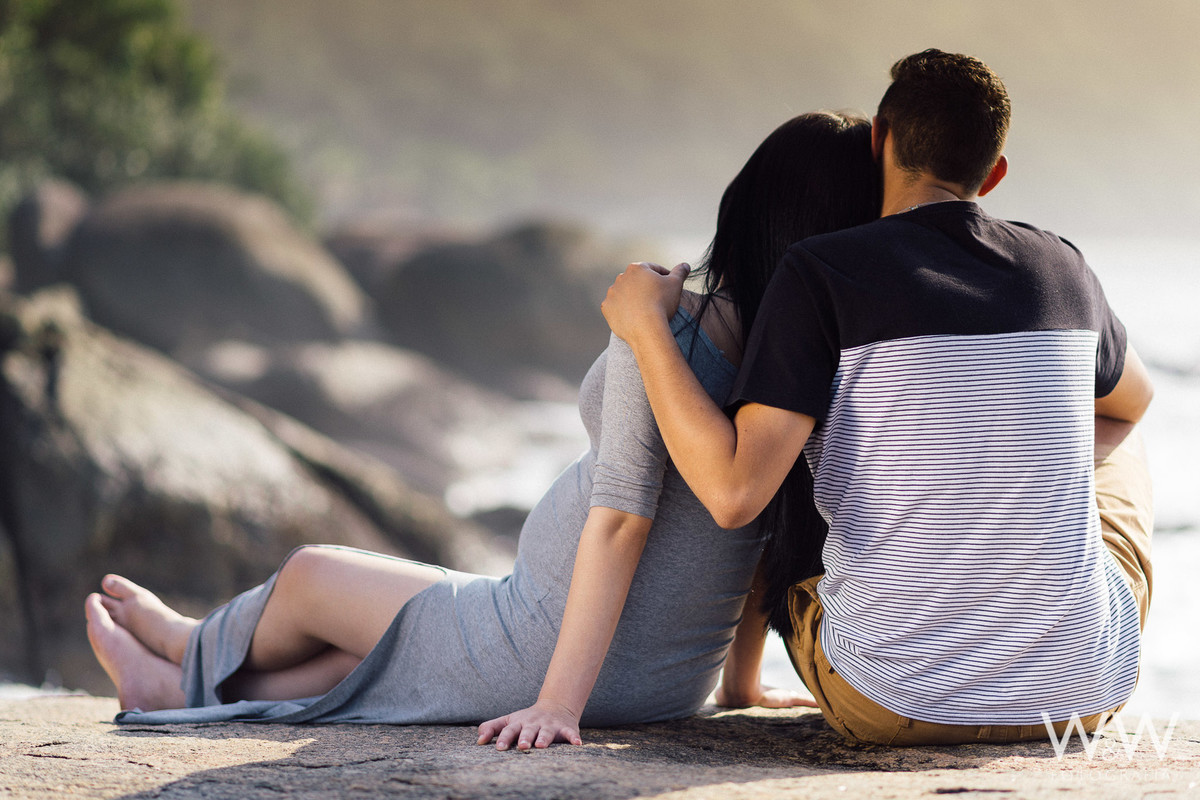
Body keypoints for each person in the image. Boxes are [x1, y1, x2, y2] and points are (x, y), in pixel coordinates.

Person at [83, 110, 882, 751]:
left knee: (311, 574)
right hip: (670, 675)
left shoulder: (664, 331)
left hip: (545, 640)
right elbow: (766, 535)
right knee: (365, 651)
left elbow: (618, 522)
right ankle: (169, 695)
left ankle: (191, 653)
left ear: (749, 210)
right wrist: (737, 686)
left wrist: (557, 704)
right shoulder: (805, 367)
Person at [601, 49, 1155, 747]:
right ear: (995, 174)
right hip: (1082, 695)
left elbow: (735, 495)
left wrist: (647, 329)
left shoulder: (819, 271)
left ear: (878, 141)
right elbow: (1133, 402)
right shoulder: (1064, 266)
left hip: (885, 699)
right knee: (1121, 441)